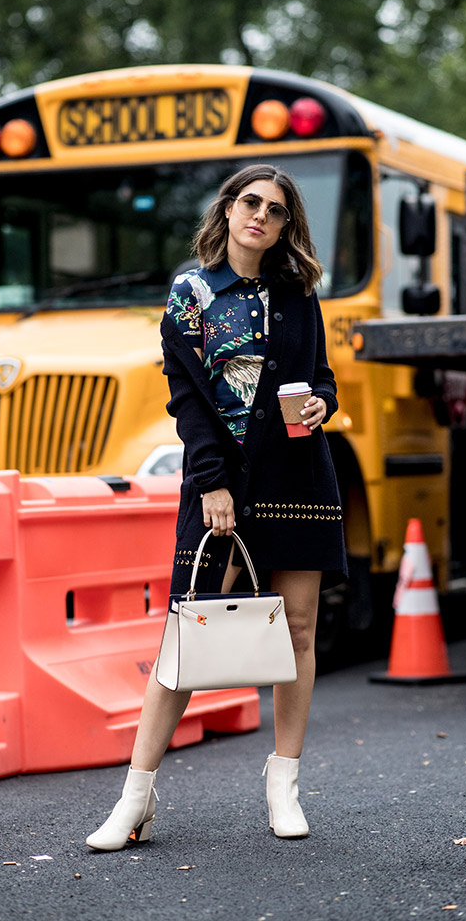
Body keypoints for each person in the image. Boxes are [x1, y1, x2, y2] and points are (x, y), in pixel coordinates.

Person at [86, 164, 347, 851]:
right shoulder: (190, 293)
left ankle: (282, 785)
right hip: (221, 481)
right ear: (228, 209)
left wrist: (325, 402)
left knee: (297, 631)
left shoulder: (297, 293)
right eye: (250, 202)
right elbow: (188, 400)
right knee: (184, 639)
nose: (260, 215)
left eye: (276, 210)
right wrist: (212, 484)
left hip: (297, 475)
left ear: (287, 225)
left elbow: (316, 377)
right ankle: (134, 799)